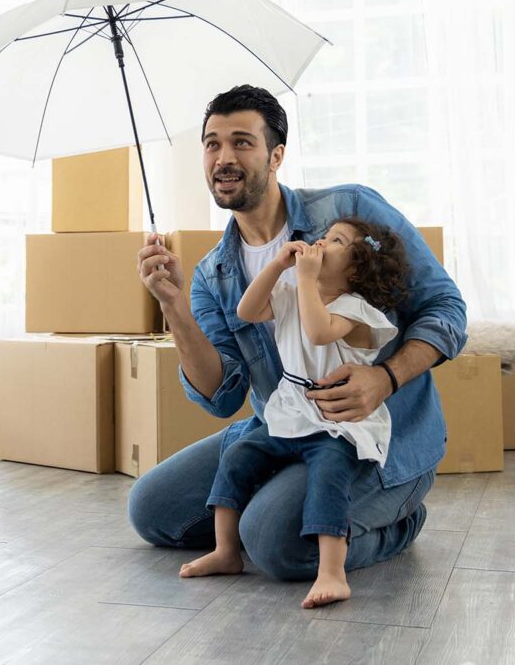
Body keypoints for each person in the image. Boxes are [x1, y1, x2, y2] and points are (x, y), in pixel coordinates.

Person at [131, 84, 466, 584]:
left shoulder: (348, 213)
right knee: (153, 509)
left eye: (242, 141)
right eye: (212, 143)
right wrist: (174, 308)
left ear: (276, 154)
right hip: (282, 425)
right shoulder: (211, 274)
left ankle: (398, 521)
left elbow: (446, 308)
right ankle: (276, 501)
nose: (224, 157)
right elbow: (222, 397)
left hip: (368, 436)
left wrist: (386, 378)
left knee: (276, 543)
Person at [179, 218, 408, 610]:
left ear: (353, 271)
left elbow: (319, 331)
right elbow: (247, 310)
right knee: (238, 457)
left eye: (335, 241)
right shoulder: (290, 290)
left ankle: (332, 572)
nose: (320, 241)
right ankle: (226, 550)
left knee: (328, 477)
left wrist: (305, 279)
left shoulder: (356, 311)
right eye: (325, 235)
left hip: (336, 424)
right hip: (290, 410)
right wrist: (277, 267)